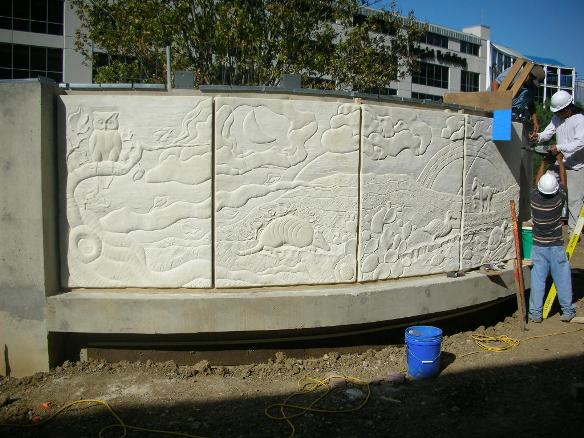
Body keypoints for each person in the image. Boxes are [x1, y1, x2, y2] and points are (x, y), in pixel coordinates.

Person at [529, 152, 576, 323]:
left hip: (538, 246)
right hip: (556, 246)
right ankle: (567, 311)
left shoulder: (534, 198)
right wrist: (560, 161)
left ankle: (535, 314)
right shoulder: (559, 199)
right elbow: (564, 182)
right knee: (562, 278)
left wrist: (543, 163)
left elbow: (537, 181)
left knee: (538, 280)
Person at [529, 90, 584, 233]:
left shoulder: (580, 120)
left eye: (559, 111)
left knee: (573, 201)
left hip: (577, 167)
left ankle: (573, 234)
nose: (557, 114)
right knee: (543, 184)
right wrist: (538, 137)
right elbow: (548, 133)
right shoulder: (557, 118)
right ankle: (544, 220)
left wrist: (558, 147)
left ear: (568, 108)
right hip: (561, 163)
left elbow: (580, 143)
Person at [492, 64, 545, 134]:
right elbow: (495, 84)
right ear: (528, 74)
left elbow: (530, 104)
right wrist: (498, 106)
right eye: (532, 81)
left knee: (507, 140)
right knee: (500, 135)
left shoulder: (532, 87)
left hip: (513, 116)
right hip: (499, 109)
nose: (532, 84)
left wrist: (535, 122)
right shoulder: (513, 72)